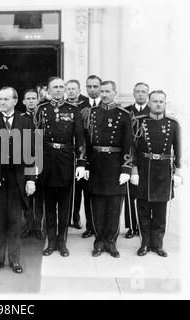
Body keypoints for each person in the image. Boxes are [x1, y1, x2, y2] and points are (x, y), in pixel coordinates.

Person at [0, 86, 36, 274]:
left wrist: (31, 179)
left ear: (15, 100)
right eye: (0, 99)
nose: (2, 103)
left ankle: (14, 260)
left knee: (15, 221)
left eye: (6, 99)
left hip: (18, 180)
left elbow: (31, 154)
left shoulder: (26, 122)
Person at [35, 78, 86, 258]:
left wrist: (81, 162)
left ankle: (62, 242)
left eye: (61, 87)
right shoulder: (41, 109)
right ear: (48, 90)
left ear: (65, 89)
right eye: (54, 87)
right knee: (49, 205)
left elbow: (80, 138)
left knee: (65, 205)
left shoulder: (73, 110)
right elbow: (35, 138)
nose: (58, 90)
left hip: (65, 159)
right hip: (47, 160)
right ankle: (51, 241)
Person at [130, 90, 181, 257]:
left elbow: (178, 149)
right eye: (155, 101)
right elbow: (133, 149)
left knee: (160, 211)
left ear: (165, 104)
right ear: (149, 103)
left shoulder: (173, 124)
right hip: (144, 169)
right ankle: (144, 243)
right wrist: (134, 170)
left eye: (161, 101)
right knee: (143, 209)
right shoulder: (139, 122)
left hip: (163, 171)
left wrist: (178, 170)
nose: (158, 104)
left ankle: (157, 244)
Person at [87, 81, 133, 258]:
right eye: (102, 91)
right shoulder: (92, 113)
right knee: (97, 205)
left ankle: (111, 241)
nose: (104, 94)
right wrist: (85, 164)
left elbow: (129, 143)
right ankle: (99, 241)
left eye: (108, 91)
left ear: (115, 92)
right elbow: (86, 141)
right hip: (97, 163)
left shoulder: (123, 114)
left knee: (114, 206)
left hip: (115, 164)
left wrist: (126, 168)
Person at [123, 82, 150, 239]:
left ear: (147, 94)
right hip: (131, 155)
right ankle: (132, 227)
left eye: (143, 92)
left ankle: (145, 227)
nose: (140, 94)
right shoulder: (127, 111)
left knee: (145, 194)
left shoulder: (152, 111)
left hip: (147, 156)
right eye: (138, 91)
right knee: (130, 194)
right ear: (133, 93)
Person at [20, 89, 46, 241]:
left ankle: (39, 227)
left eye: (33, 98)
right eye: (28, 98)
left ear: (38, 100)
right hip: (25, 159)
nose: (31, 101)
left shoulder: (44, 116)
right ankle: (27, 225)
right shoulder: (20, 118)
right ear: (23, 101)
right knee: (27, 195)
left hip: (42, 159)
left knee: (40, 195)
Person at [80, 75, 103, 238]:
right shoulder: (81, 106)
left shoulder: (107, 105)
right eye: (89, 86)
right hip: (87, 157)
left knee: (102, 194)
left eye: (96, 86)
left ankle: (101, 228)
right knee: (88, 193)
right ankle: (90, 226)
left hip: (104, 159)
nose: (92, 90)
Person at [65, 79, 87, 230]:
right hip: (66, 152)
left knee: (78, 188)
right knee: (67, 187)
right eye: (69, 89)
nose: (71, 91)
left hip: (80, 149)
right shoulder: (63, 106)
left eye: (74, 89)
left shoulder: (85, 106)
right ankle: (66, 217)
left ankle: (76, 217)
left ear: (79, 90)